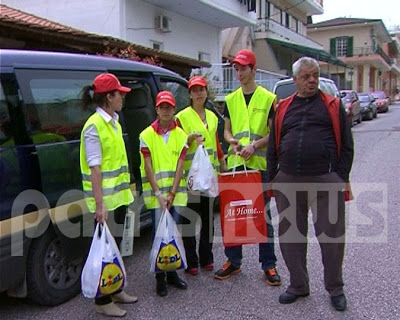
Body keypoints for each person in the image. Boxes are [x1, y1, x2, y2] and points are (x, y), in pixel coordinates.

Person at [267, 57, 354, 311]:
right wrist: (273, 177)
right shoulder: (282, 107)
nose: (312, 80)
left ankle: (335, 288)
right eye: (306, 76)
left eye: (315, 75)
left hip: (325, 180)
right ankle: (298, 285)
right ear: (295, 80)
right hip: (289, 179)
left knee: (332, 237)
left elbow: (347, 145)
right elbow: (273, 144)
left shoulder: (333, 105)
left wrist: (339, 176)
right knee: (291, 236)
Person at [214, 49, 281, 286]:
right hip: (236, 165)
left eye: (244, 68)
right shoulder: (231, 100)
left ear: (253, 69)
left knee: (262, 216)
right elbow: (227, 130)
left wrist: (254, 145)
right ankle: (233, 261)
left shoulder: (267, 98)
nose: (240, 73)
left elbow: (274, 132)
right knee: (234, 214)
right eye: (237, 69)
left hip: (259, 165)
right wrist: (231, 141)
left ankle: (269, 265)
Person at [80, 73, 138, 317]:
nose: (122, 97)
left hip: (119, 198)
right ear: (108, 97)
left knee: (114, 249)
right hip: (105, 203)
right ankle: (102, 301)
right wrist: (100, 205)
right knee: (104, 251)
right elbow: (95, 169)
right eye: (119, 94)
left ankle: (115, 290)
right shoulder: (94, 126)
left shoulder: (113, 121)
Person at [175, 76, 226, 275]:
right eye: (195, 90)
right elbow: (177, 145)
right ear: (189, 94)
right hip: (191, 177)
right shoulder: (182, 117)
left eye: (201, 89)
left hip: (209, 177)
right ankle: (191, 261)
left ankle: (207, 257)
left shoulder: (212, 117)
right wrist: (188, 139)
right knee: (189, 219)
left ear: (206, 92)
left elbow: (216, 143)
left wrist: (222, 163)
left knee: (208, 219)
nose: (199, 93)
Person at [139, 90, 188, 297]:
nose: (165, 111)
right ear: (157, 109)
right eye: (162, 107)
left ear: (174, 109)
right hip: (157, 196)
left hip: (174, 195)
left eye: (169, 107)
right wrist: (159, 193)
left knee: (173, 235)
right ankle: (160, 277)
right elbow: (147, 166)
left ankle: (173, 274)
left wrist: (173, 193)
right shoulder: (146, 135)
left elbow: (180, 166)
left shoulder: (181, 135)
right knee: (159, 236)